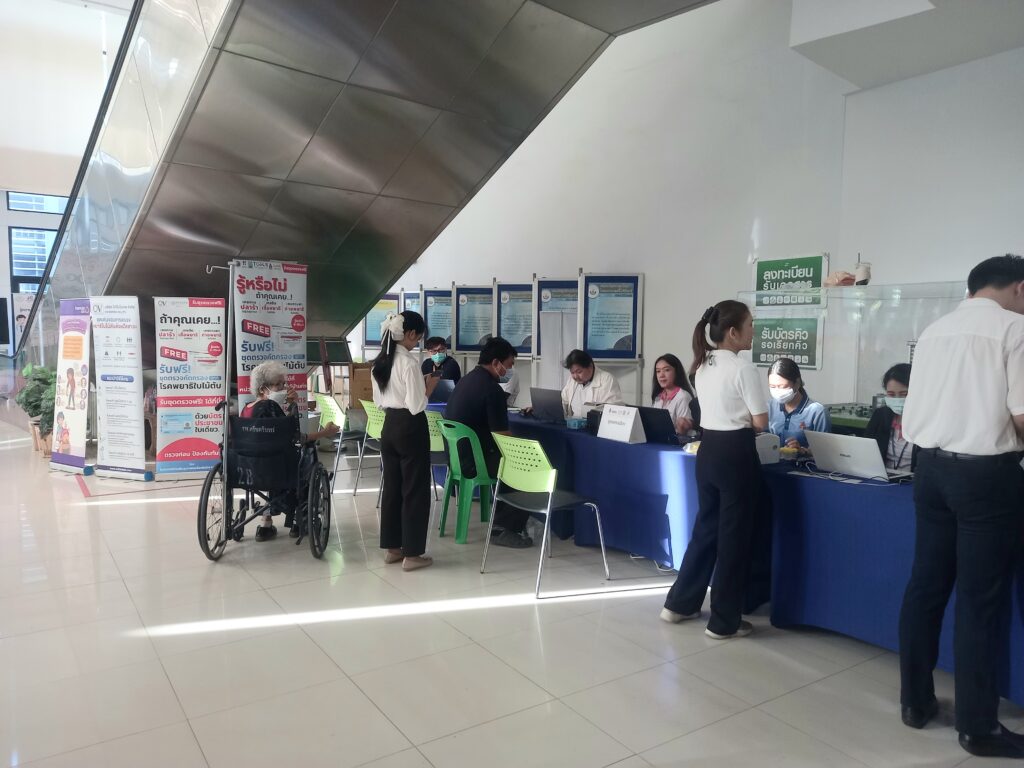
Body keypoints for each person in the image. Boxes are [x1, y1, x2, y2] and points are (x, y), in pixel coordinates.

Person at [897, 254, 1024, 759]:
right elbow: (1022, 416)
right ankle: (977, 727)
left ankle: (915, 702)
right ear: (1018, 288)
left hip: (929, 470)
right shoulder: (1014, 330)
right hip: (985, 478)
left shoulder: (934, 331)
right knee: (979, 599)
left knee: (926, 586)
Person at [660, 300, 768, 640]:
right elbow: (761, 422)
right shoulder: (743, 368)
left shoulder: (702, 365)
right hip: (736, 453)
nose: (753, 332)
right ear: (733, 332)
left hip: (708, 452)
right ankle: (724, 621)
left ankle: (679, 603)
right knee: (734, 538)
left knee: (706, 529)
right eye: (750, 326)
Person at [443, 337, 530, 548]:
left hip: (457, 459)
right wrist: (524, 451)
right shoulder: (492, 390)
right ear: (496, 363)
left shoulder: (466, 381)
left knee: (507, 461)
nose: (510, 370)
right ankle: (505, 529)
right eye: (509, 365)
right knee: (524, 466)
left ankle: (502, 521)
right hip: (476, 462)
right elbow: (502, 437)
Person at [243, 360, 339, 541]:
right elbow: (295, 437)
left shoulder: (246, 409)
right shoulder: (270, 407)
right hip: (277, 469)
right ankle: (299, 520)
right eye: (278, 385)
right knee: (306, 457)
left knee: (272, 458)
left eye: (283, 384)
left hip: (249, 469)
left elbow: (277, 433)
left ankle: (265, 523)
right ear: (263, 389)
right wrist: (324, 433)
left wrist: (287, 406)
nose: (284, 388)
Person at [374, 311, 438, 571]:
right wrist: (428, 387)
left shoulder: (380, 361)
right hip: (411, 428)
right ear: (410, 334)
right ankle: (412, 555)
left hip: (389, 425)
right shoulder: (409, 363)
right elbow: (416, 405)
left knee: (392, 487)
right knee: (414, 490)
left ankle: (393, 548)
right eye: (418, 337)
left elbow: (379, 401)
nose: (418, 342)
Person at [766, 357, 830, 450]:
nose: (777, 391)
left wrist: (802, 450)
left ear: (797, 383)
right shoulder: (768, 407)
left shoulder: (817, 412)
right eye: (772, 386)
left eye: (783, 386)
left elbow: (824, 451)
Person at [864, 363, 916, 472]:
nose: (897, 399)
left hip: (914, 480)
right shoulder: (880, 416)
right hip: (882, 477)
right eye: (891, 394)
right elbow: (866, 451)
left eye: (904, 394)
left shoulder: (928, 422)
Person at [560, 350, 624, 419]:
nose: (575, 376)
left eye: (579, 372)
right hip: (574, 423)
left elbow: (613, 411)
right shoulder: (572, 380)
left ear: (590, 366)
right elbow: (564, 401)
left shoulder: (607, 380)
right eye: (572, 372)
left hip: (596, 424)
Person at [651, 353, 696, 434]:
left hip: (676, 441)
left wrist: (682, 426)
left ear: (676, 372)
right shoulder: (658, 397)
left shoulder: (683, 397)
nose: (661, 375)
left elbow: (684, 433)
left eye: (667, 370)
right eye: (658, 371)